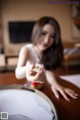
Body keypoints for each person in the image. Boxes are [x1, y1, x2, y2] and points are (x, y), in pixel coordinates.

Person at [15, 16, 78, 101]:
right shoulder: (26, 49)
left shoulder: (50, 51)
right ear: (36, 32)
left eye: (52, 36)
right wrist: (30, 68)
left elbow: (48, 70)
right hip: (27, 88)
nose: (46, 41)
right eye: (43, 33)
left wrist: (55, 84)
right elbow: (18, 73)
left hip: (42, 87)